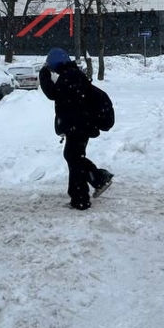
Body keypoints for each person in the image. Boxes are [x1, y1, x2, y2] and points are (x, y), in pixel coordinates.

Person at [38, 47, 114, 211]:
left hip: (79, 126)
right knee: (74, 158)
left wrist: (43, 76)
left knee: (75, 158)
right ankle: (89, 186)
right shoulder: (72, 74)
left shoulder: (69, 76)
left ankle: (84, 194)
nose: (52, 71)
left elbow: (53, 94)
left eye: (51, 67)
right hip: (80, 125)